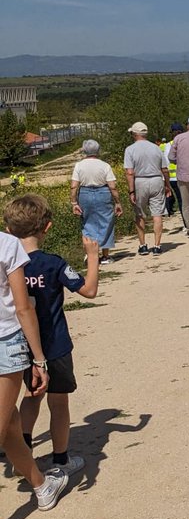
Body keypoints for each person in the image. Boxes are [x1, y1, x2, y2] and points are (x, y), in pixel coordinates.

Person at [7, 194, 99, 482]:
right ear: (47, 228)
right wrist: (93, 257)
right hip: (54, 345)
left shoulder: (8, 266)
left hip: (20, 344)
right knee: (58, 403)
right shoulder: (52, 264)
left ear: (8, 230)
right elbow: (88, 291)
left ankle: (21, 449)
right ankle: (61, 459)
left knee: (31, 397)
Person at [0, 221, 69, 519]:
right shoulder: (7, 245)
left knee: (11, 422)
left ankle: (41, 485)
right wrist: (39, 358)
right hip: (5, 343)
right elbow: (23, 306)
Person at [70, 139, 122, 263]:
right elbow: (112, 186)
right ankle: (105, 256)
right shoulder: (104, 165)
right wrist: (118, 202)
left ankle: (90, 255)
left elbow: (74, 186)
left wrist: (74, 203)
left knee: (87, 223)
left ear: (84, 151)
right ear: (98, 150)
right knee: (106, 222)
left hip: (85, 193)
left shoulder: (79, 165)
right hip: (103, 193)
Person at [124, 122, 172, 256]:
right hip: (156, 179)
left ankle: (143, 245)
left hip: (140, 180)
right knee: (157, 214)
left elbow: (129, 172)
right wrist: (167, 185)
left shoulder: (130, 149)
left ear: (134, 134)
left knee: (140, 214)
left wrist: (131, 190)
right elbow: (165, 169)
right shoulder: (156, 148)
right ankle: (157, 245)